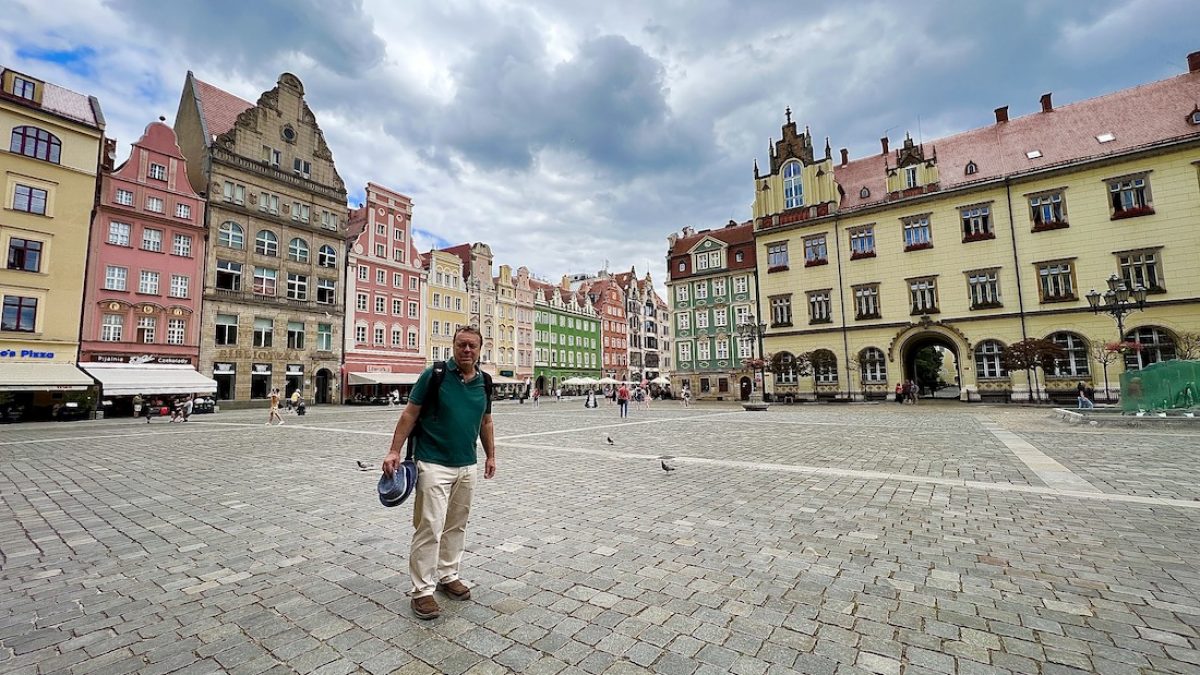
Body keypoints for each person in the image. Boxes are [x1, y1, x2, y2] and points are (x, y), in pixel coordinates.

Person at [381, 326, 496, 621]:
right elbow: (409, 413)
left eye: (472, 346)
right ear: (453, 346)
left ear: (480, 349)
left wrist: (491, 455)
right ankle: (421, 591)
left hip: (467, 463)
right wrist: (394, 451)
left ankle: (448, 575)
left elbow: (486, 421)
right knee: (429, 526)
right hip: (432, 462)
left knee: (457, 524)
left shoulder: (484, 381)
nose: (466, 350)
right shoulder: (434, 375)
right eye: (461, 345)